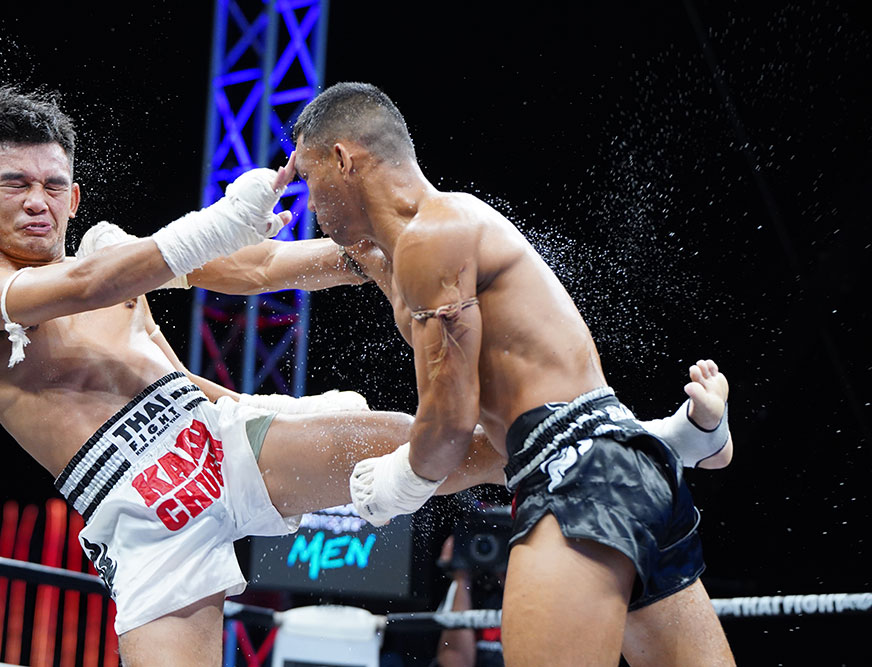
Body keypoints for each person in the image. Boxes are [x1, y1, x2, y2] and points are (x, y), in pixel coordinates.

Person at [0, 85, 507, 667]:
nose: (38, 202)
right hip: (145, 516)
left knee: (443, 446)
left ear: (74, 197)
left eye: (53, 185)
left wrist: (364, 257)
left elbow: (254, 269)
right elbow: (86, 286)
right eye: (16, 184)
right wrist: (225, 220)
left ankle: (549, 453)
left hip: (219, 443)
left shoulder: (112, 257)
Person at [287, 82, 736, 666]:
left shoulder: (432, 236)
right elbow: (261, 266)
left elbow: (450, 422)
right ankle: (681, 436)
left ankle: (683, 436)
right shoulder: (411, 247)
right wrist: (216, 231)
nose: (306, 201)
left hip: (575, 475)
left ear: (343, 159)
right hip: (624, 467)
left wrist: (400, 482)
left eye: (307, 175)